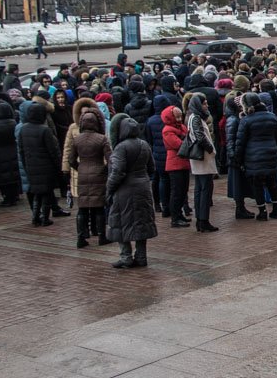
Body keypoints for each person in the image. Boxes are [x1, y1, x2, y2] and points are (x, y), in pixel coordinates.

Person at [106, 115, 157, 269]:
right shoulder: (144, 144)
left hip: (125, 190)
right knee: (141, 222)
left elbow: (117, 172)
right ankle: (141, 256)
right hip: (143, 188)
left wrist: (109, 188)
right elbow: (152, 167)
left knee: (121, 222)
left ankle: (126, 256)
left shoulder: (121, 147)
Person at [235, 92, 277, 221]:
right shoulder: (272, 117)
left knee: (257, 185)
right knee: (272, 183)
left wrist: (238, 160)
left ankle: (262, 212)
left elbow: (240, 142)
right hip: (271, 154)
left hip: (253, 158)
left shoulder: (246, 120)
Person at [69, 110, 111, 247]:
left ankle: (81, 238)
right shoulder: (101, 138)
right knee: (99, 207)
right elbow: (110, 159)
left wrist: (79, 167)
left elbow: (71, 160)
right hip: (98, 172)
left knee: (82, 208)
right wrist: (104, 170)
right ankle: (101, 236)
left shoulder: (77, 139)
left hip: (82, 173)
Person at [18, 103, 61, 227]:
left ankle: (35, 216)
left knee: (37, 192)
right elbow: (53, 151)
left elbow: (21, 149)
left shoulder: (23, 129)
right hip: (45, 166)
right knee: (47, 193)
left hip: (31, 166)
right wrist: (58, 167)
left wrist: (26, 165)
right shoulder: (44, 130)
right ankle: (45, 218)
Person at [186, 92, 219, 233]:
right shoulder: (196, 118)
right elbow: (200, 136)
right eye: (204, 103)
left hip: (201, 159)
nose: (206, 106)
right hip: (203, 158)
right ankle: (203, 220)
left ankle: (201, 220)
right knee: (205, 189)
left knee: (201, 189)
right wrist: (210, 148)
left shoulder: (194, 117)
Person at [159, 105, 191, 228]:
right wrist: (185, 139)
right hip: (175, 164)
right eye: (176, 116)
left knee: (183, 191)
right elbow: (178, 144)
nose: (179, 119)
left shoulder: (180, 127)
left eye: (180, 116)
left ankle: (179, 214)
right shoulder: (167, 130)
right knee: (177, 192)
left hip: (183, 162)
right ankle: (175, 218)